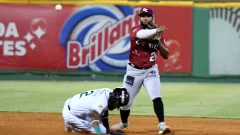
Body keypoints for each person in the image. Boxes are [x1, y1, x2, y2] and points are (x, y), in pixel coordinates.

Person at [110, 7, 171, 135]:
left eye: (148, 16)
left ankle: (162, 125)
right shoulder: (136, 30)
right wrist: (156, 30)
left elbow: (166, 55)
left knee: (156, 96)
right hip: (133, 71)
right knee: (125, 100)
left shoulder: (159, 34)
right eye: (142, 16)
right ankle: (124, 122)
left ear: (152, 17)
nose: (145, 18)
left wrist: (158, 40)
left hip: (151, 70)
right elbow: (141, 35)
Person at [62, 87, 129, 135]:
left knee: (101, 126)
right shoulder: (101, 101)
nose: (116, 106)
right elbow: (94, 115)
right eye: (117, 104)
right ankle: (71, 125)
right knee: (101, 130)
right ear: (115, 99)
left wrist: (108, 131)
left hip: (73, 104)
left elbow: (104, 112)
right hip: (71, 115)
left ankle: (74, 123)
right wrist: (99, 133)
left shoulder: (109, 92)